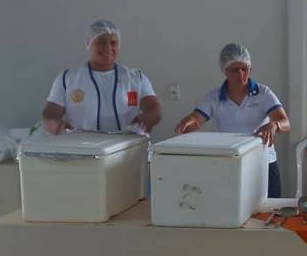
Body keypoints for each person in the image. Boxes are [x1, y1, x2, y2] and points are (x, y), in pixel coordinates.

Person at [174, 43, 291, 198]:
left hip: (263, 164)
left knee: (269, 209)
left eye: (245, 68)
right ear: (224, 71)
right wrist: (188, 122)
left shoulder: (263, 93)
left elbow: (285, 123)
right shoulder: (215, 97)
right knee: (231, 207)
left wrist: (274, 125)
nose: (241, 74)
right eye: (235, 70)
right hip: (231, 164)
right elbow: (196, 119)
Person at [42, 19, 162, 135]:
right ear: (89, 43)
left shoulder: (136, 78)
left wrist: (150, 117)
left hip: (127, 146)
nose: (108, 48)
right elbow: (51, 113)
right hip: (82, 146)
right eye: (101, 42)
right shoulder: (67, 79)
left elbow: (153, 108)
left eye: (113, 43)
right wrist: (52, 123)